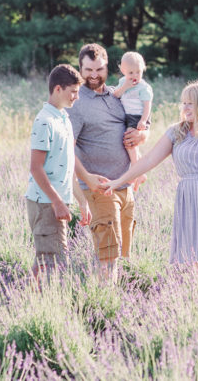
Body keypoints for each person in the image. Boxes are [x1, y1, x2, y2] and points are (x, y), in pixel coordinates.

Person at [103, 81, 198, 276]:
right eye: (183, 103)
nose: (185, 108)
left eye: (190, 103)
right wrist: (118, 181)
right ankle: (197, 301)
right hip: (191, 200)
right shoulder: (177, 131)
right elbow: (149, 159)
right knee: (194, 262)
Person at [67, 43, 148, 282]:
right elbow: (66, 150)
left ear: (108, 68)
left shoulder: (117, 95)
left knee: (123, 254)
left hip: (126, 185)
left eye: (99, 69)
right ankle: (104, 307)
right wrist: (87, 180)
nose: (94, 74)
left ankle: (116, 305)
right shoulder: (77, 103)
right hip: (100, 188)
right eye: (88, 69)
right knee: (107, 256)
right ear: (80, 69)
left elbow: (139, 123)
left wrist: (144, 135)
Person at [25, 64, 91, 282]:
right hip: (45, 204)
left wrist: (81, 201)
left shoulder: (63, 119)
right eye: (73, 91)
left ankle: (25, 299)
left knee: (45, 261)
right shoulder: (44, 121)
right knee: (55, 264)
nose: (76, 97)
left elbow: (68, 164)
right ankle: (45, 306)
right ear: (58, 90)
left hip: (57, 201)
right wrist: (57, 202)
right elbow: (36, 168)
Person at [111, 51, 153, 168]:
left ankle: (135, 167)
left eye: (138, 72)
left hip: (139, 116)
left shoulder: (144, 87)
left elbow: (147, 105)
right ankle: (140, 166)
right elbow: (115, 95)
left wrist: (143, 120)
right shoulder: (123, 82)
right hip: (127, 115)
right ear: (123, 71)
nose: (135, 76)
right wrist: (125, 86)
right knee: (131, 143)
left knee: (129, 140)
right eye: (130, 72)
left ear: (143, 69)